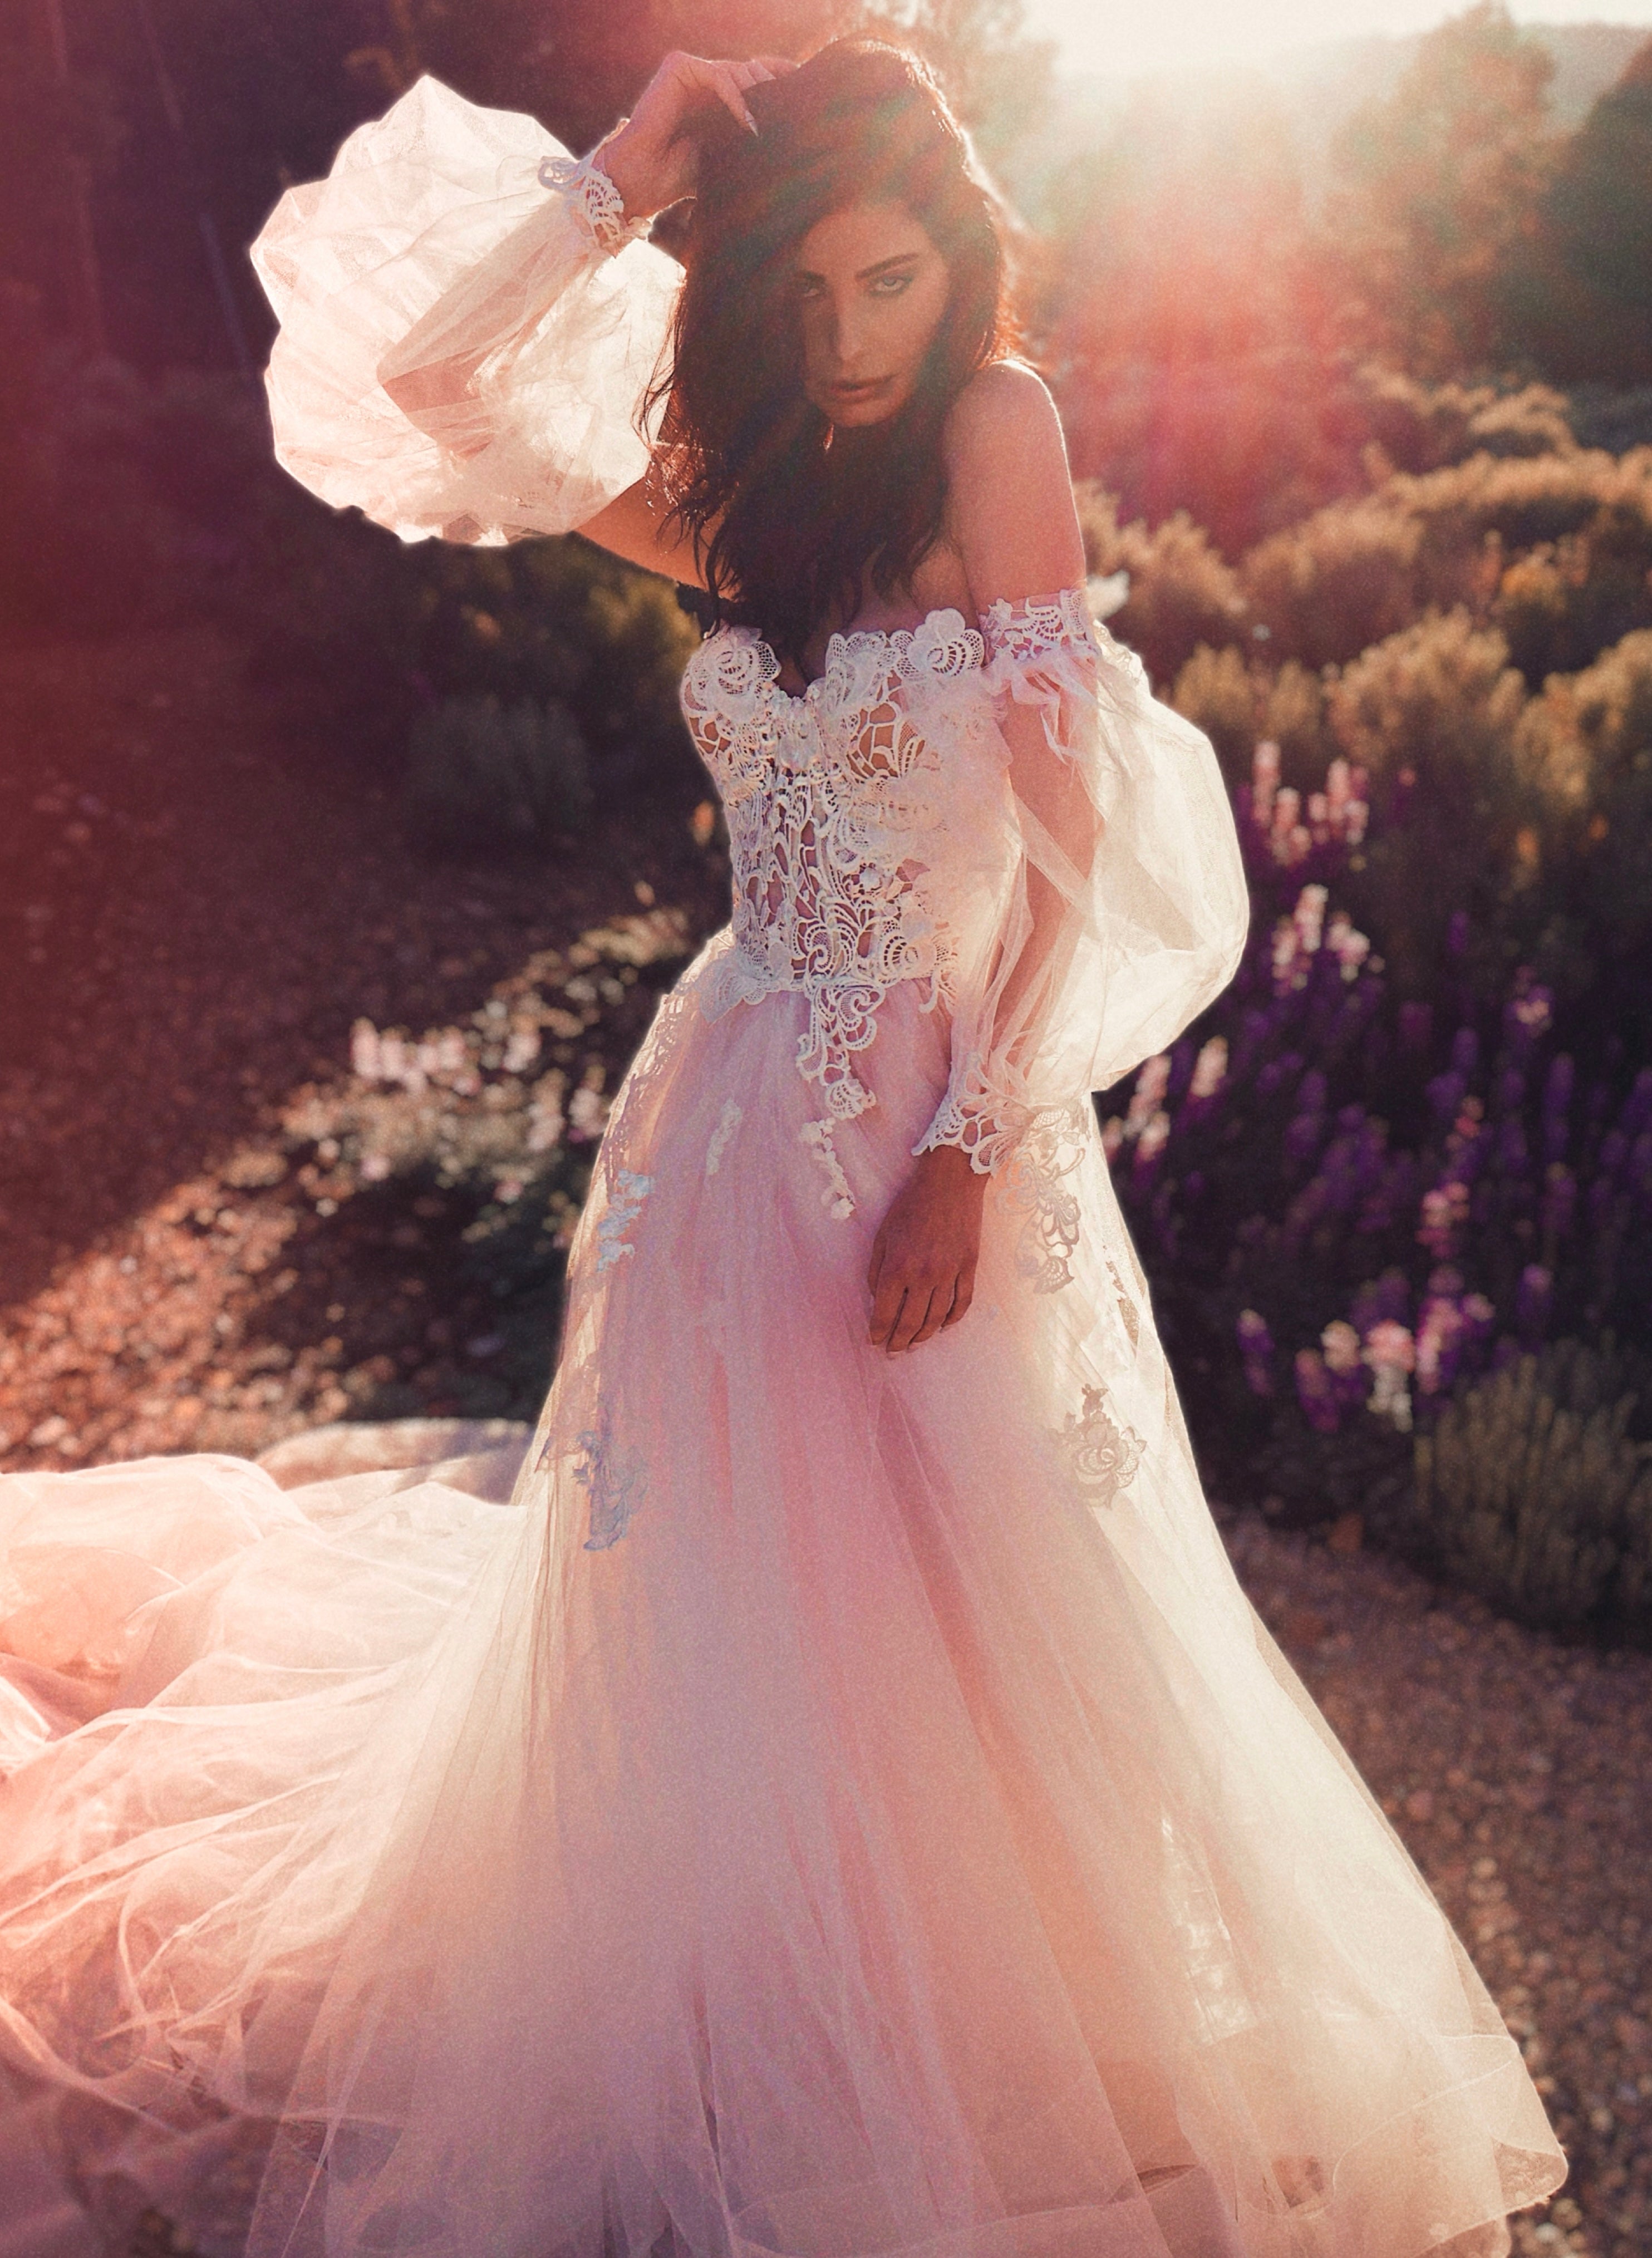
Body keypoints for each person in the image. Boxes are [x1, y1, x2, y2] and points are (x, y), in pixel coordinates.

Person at [0, 38, 1566, 2258]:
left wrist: (978, 1147)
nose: (852, 336)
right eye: (808, 292)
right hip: (731, 1103)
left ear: (965, 262)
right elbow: (429, 396)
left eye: (893, 281)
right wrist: (629, 170)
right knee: (729, 1588)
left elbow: (1075, 859)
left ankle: (964, 2020)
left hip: (939, 1109)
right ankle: (746, 2005)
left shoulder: (988, 434)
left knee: (965, 1576)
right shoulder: (736, 478)